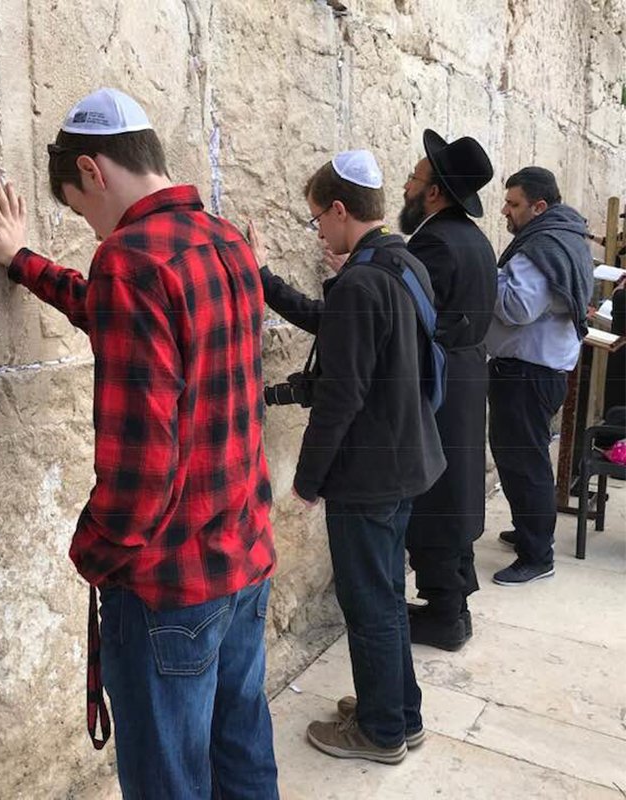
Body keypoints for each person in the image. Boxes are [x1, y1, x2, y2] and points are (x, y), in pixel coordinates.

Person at [0, 87, 279, 799]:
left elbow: (141, 469)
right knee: (242, 757)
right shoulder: (228, 242)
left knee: (167, 782)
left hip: (169, 589)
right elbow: (113, 314)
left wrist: (96, 554)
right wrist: (23, 261)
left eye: (81, 210)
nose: (92, 231)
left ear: (92, 170)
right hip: (244, 562)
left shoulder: (128, 260)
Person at [250, 150, 445, 764]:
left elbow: (340, 396)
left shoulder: (363, 281)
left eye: (317, 219)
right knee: (385, 595)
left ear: (339, 210)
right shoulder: (400, 263)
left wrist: (307, 480)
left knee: (368, 605)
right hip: (405, 461)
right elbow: (331, 322)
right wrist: (264, 277)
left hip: (367, 474)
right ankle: (400, 713)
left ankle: (380, 733)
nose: (318, 232)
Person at [399, 131, 497, 651]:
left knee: (436, 496)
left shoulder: (434, 242)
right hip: (467, 374)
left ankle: (443, 616)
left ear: (434, 192)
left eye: (414, 178)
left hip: (442, 380)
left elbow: (413, 317)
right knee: (456, 491)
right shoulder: (475, 240)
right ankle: (455, 607)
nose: (407, 186)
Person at [486, 167, 593, 586]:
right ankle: (530, 530)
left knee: (525, 463)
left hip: (527, 374)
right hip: (536, 371)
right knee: (521, 458)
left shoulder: (541, 247)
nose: (505, 211)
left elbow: (517, 307)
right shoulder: (565, 237)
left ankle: (536, 555)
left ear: (539, 206)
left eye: (513, 204)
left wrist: (487, 274)